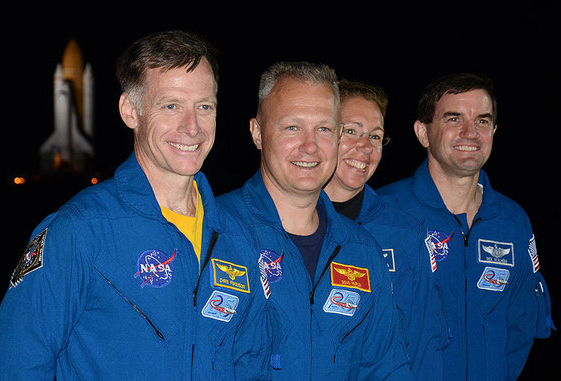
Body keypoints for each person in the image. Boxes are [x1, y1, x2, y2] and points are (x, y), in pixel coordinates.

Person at [0, 30, 270, 380]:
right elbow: (15, 364)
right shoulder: (80, 230)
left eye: (204, 107)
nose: (192, 127)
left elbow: (251, 365)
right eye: (171, 106)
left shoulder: (237, 238)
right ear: (130, 111)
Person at [217, 61, 412, 380]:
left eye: (324, 128)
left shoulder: (362, 251)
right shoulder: (214, 234)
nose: (310, 146)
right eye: (292, 127)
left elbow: (386, 367)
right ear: (257, 133)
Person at [377, 72, 554, 380]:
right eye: (454, 119)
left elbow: (524, 324)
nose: (470, 132)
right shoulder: (381, 215)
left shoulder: (512, 223)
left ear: (495, 131)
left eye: (483, 121)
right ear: (423, 133)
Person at [324, 79, 448, 380]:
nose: (365, 147)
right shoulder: (286, 222)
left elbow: (425, 342)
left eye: (375, 136)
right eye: (350, 131)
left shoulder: (405, 233)